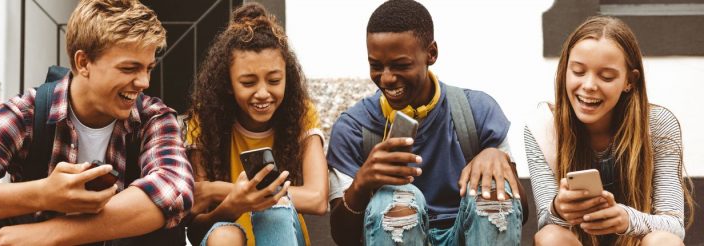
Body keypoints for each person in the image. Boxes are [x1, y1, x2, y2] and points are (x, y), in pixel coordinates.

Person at [0, 0, 194, 245]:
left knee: (164, 224)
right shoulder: (26, 113)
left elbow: (174, 190)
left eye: (148, 68)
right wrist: (43, 194)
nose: (144, 82)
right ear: (83, 63)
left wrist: (51, 233)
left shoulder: (154, 118)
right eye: (129, 69)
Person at [326, 0, 524, 245]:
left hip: (468, 233)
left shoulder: (477, 111)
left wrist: (498, 158)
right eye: (376, 65)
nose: (386, 78)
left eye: (401, 65)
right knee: (396, 200)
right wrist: (361, 184)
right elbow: (341, 237)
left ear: (431, 53)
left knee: (492, 189)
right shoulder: (353, 129)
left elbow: (519, 212)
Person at [524, 16, 694, 246]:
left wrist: (626, 219)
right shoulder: (544, 127)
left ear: (630, 81)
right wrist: (558, 208)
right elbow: (546, 223)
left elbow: (674, 226)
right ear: (565, 70)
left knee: (663, 241)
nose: (589, 85)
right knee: (551, 235)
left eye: (606, 76)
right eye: (578, 71)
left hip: (636, 242)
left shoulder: (658, 125)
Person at [183, 3, 328, 246]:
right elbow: (194, 227)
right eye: (248, 83)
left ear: (287, 78)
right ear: (228, 83)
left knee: (273, 208)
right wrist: (234, 203)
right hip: (227, 235)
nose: (263, 93)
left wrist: (216, 189)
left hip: (284, 234)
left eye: (273, 80)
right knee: (223, 235)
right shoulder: (203, 120)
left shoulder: (302, 113)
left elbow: (317, 198)